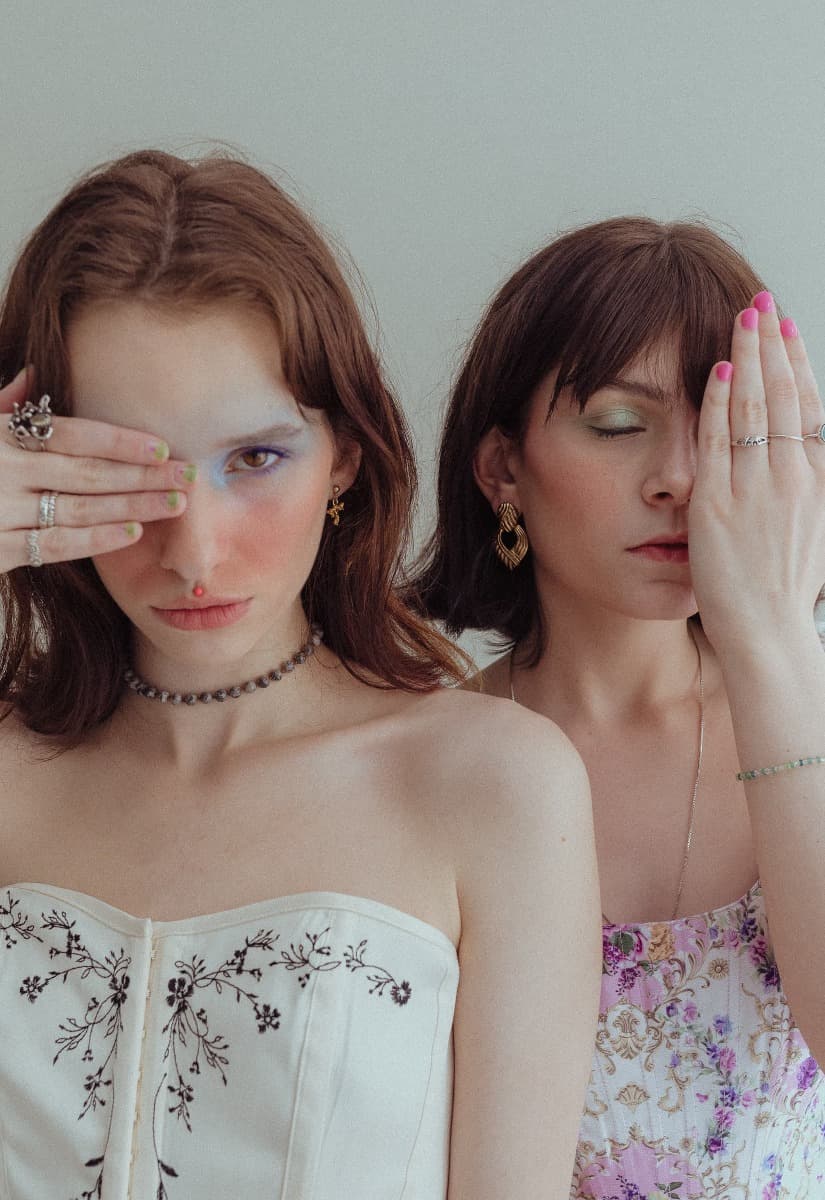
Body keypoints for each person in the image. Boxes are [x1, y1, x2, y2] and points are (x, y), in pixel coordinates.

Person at [0, 151, 600, 1200]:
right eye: (126, 468)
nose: (193, 551)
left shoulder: (491, 783)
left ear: (347, 455)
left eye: (256, 459)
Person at [415, 216, 825, 1197]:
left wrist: (770, 636)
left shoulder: (804, 711)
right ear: (502, 470)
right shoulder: (431, 762)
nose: (680, 478)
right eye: (618, 423)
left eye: (722, 427)